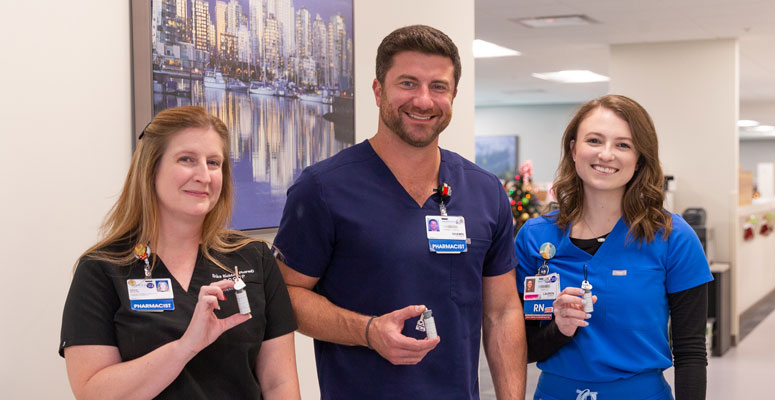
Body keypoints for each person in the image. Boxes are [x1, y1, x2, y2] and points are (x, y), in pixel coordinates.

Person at [274, 25, 527, 399]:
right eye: (408, 83)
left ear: (453, 95)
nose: (423, 100)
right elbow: (285, 294)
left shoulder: (484, 191)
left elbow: (502, 311)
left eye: (438, 87)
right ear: (379, 91)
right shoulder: (323, 189)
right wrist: (367, 330)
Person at [59, 106, 300, 399]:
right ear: (152, 168)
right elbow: (92, 393)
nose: (204, 175)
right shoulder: (102, 269)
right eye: (187, 159)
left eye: (213, 163)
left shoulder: (255, 259)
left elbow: (279, 384)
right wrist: (187, 346)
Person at [515, 95, 712, 400]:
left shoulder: (672, 237)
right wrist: (560, 328)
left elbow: (691, 352)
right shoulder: (534, 238)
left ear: (640, 158)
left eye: (623, 145)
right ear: (573, 148)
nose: (606, 154)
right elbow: (520, 349)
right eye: (594, 140)